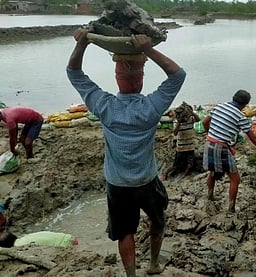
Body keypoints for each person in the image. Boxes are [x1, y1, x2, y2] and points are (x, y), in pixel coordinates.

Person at [66, 28, 186, 277]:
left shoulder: (104, 105)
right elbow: (177, 75)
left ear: (116, 78)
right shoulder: (152, 107)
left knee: (125, 232)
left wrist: (82, 44)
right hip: (146, 180)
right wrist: (147, 49)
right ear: (141, 78)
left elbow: (74, 73)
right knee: (157, 221)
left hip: (118, 184)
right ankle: (153, 265)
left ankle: (131, 275)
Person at [202, 90, 256, 213]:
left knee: (213, 172)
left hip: (209, 143)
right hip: (222, 147)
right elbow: (253, 137)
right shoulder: (240, 116)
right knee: (235, 179)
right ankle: (231, 208)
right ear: (245, 105)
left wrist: (211, 133)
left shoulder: (219, 107)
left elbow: (204, 122)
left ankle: (210, 196)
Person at [162, 101, 200, 180]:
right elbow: (175, 133)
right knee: (175, 165)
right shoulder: (178, 122)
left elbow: (198, 119)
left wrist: (192, 113)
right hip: (181, 147)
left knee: (190, 164)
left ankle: (185, 176)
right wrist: (179, 123)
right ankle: (165, 174)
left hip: (190, 147)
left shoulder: (191, 119)